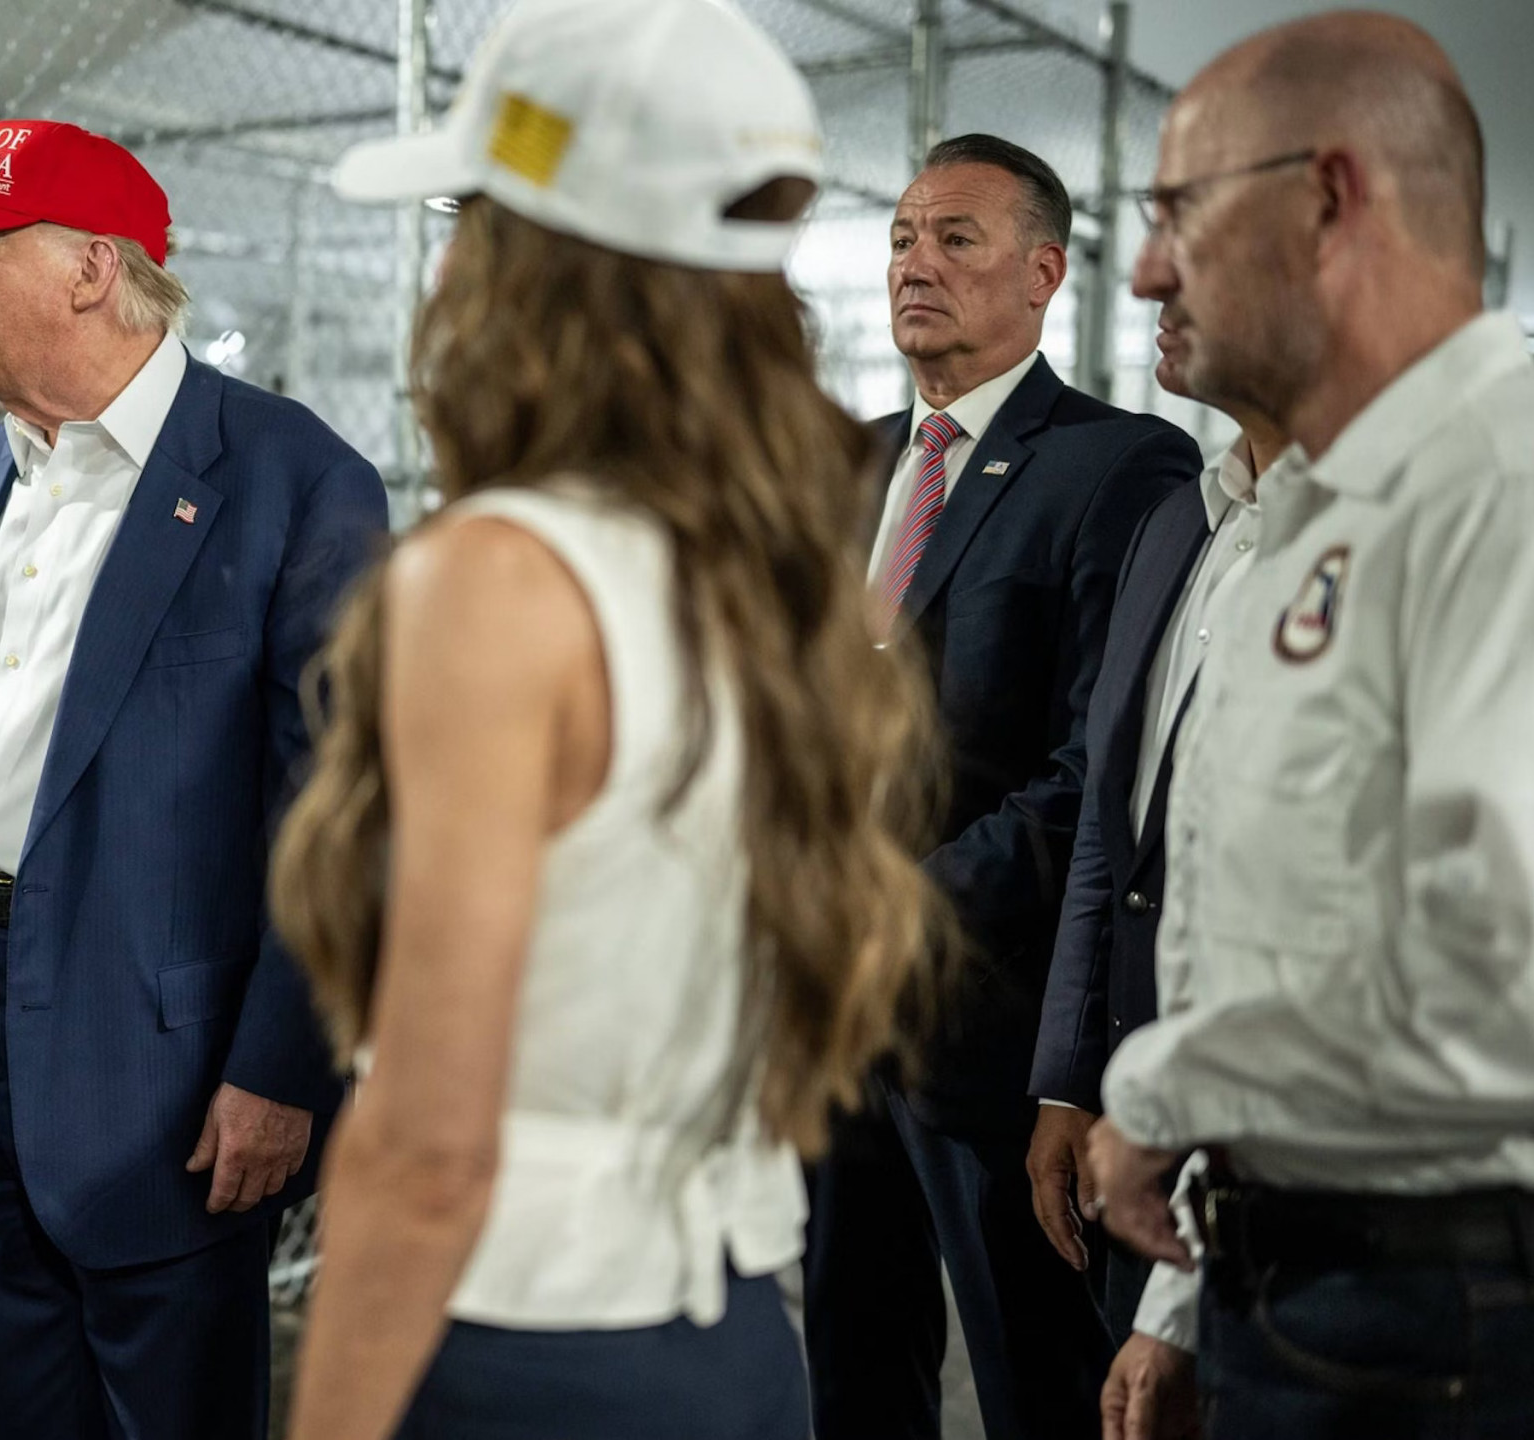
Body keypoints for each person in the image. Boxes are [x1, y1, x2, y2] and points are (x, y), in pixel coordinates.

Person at [272, 1, 944, 1435]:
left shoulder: (498, 578)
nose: (448, 267)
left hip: (526, 1351)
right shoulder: (761, 576)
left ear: (528, 262)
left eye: (471, 220)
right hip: (732, 1342)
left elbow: (430, 1148)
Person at [0, 119, 388, 1439]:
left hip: (165, 1050)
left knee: (171, 1404)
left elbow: (340, 812)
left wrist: (282, 1066)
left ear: (94, 268)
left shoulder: (293, 478)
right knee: (9, 1398)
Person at [1083, 13, 1534, 1439]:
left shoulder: (1514, 495)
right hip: (1302, 1277)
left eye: (1177, 209)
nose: (1146, 268)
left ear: (1328, 197)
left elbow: (1516, 1003)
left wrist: (1162, 1095)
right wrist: (1194, 1295)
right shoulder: (1308, 521)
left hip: (1452, 1310)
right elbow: (1277, 940)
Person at [803, 133, 1201, 1440]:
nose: (914, 264)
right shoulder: (848, 464)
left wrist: (895, 909)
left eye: (955, 238)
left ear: (1042, 273)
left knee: (1038, 1384)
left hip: (998, 1033)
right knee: (851, 1366)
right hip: (836, 1023)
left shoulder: (1118, 467)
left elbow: (1096, 769)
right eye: (901, 240)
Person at [1028, 398, 1282, 1429]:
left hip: (1267, 1150)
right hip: (1135, 1119)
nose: (1164, 316)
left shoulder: (1366, 542)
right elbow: (1111, 824)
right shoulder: (1180, 520)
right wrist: (1066, 1076)